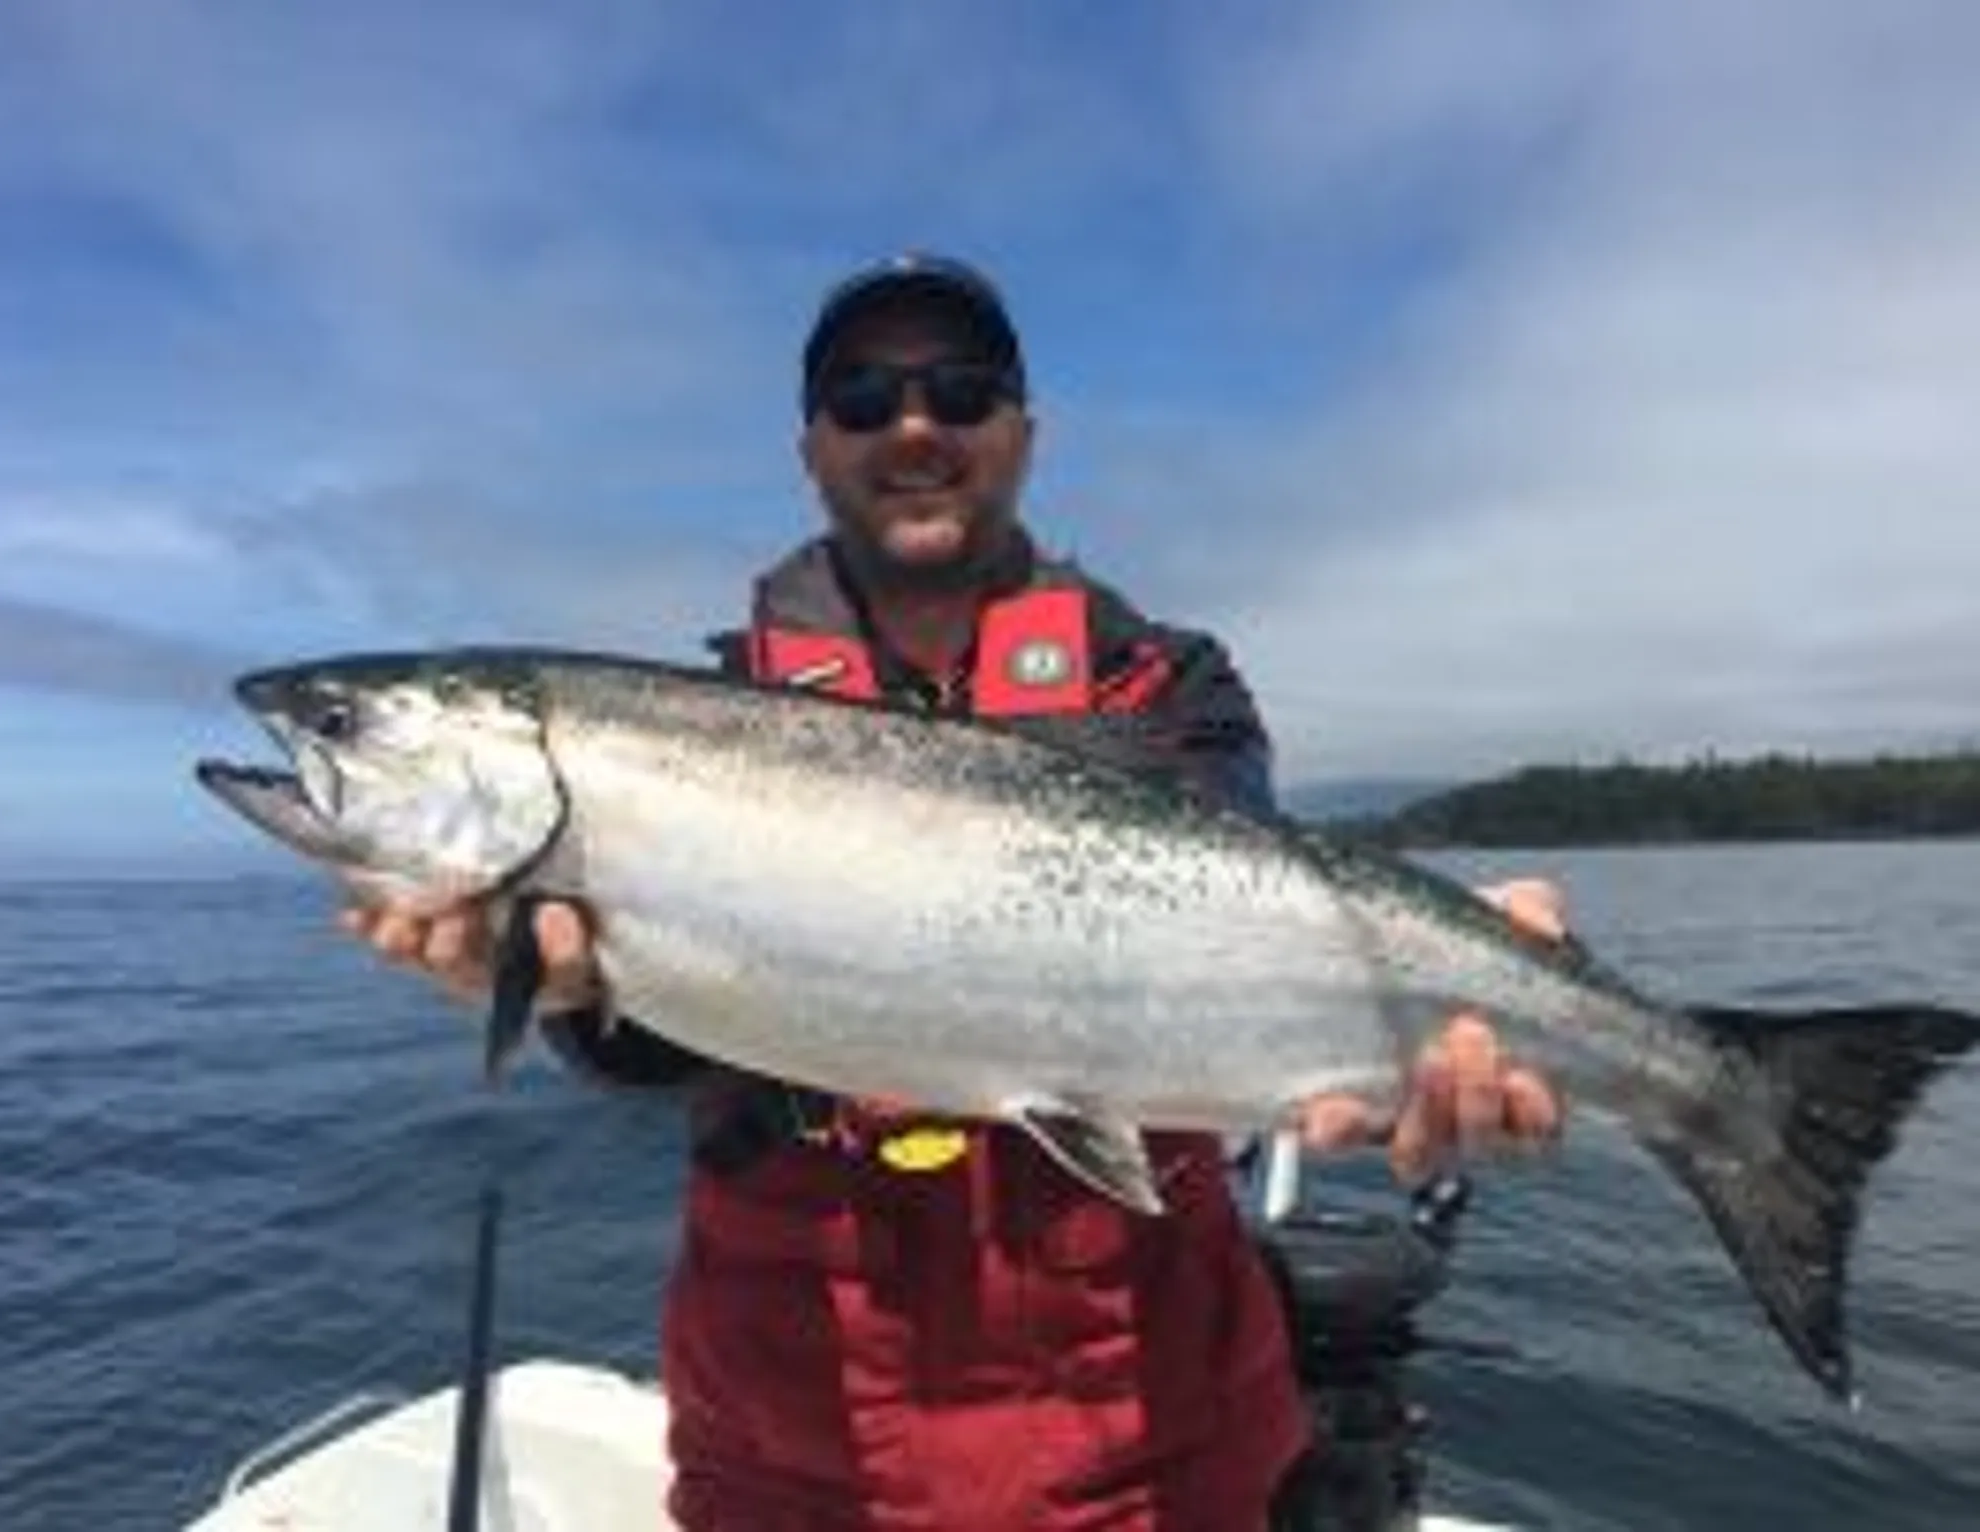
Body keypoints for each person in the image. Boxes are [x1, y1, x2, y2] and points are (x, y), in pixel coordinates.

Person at [340, 253, 1567, 1531]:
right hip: (791, 1457)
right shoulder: (700, 725)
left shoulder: (1169, 686)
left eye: (960, 390)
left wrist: (1460, 989)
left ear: (1022, 432)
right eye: (862, 397)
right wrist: (563, 989)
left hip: (1154, 1450)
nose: (913, 426)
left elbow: (1251, 929)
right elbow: (664, 1052)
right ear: (812, 448)